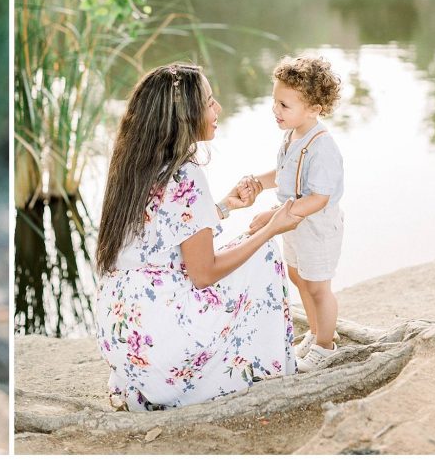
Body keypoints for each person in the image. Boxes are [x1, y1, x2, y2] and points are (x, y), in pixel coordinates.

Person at [94, 63, 302, 410]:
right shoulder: (186, 174)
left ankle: (153, 385)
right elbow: (203, 274)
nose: (218, 109)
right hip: (162, 342)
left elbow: (157, 240)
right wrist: (271, 228)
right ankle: (264, 371)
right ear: (185, 116)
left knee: (240, 243)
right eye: (209, 102)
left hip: (123, 333)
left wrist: (222, 207)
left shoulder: (135, 163)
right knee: (263, 253)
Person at [245, 56, 344, 373]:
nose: (276, 110)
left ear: (314, 109)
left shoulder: (322, 145)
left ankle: (326, 347)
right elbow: (287, 173)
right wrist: (260, 182)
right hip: (293, 223)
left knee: (318, 287)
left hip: (316, 227)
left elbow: (319, 197)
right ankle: (316, 332)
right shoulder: (292, 136)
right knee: (298, 276)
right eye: (275, 102)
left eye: (284, 105)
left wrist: (274, 216)